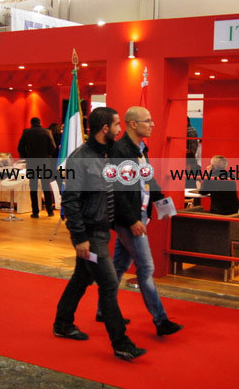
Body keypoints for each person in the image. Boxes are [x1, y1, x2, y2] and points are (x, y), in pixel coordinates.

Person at [53, 107, 146, 361]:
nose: (120, 129)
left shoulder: (110, 153)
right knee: (108, 284)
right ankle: (121, 343)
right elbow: (70, 201)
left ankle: (62, 324)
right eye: (117, 125)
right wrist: (79, 238)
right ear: (105, 128)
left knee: (81, 278)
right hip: (90, 234)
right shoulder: (80, 158)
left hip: (103, 229)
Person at [99, 106, 183, 336]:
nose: (152, 124)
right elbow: (117, 191)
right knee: (146, 268)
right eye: (147, 120)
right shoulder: (120, 151)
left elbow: (148, 179)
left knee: (119, 266)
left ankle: (103, 309)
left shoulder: (141, 149)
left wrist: (161, 201)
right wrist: (132, 219)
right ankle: (160, 320)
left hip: (139, 214)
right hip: (130, 219)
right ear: (133, 124)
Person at [17, 117, 56, 218]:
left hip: (32, 163)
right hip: (45, 163)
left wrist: (26, 157)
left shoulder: (26, 133)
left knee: (33, 188)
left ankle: (35, 212)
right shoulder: (47, 132)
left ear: (31, 123)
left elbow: (20, 147)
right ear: (40, 123)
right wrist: (48, 154)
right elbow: (53, 147)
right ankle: (50, 211)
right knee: (46, 187)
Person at [185, 116, 200, 188]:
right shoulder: (193, 130)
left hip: (188, 157)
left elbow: (190, 148)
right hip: (191, 157)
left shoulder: (187, 131)